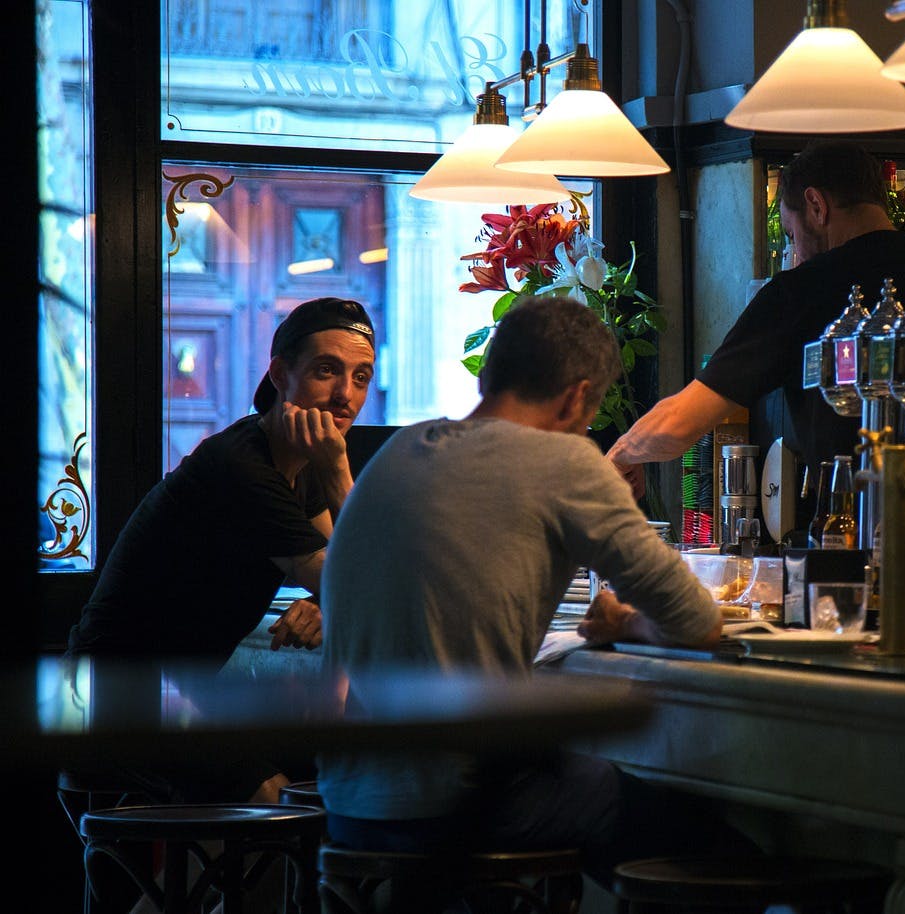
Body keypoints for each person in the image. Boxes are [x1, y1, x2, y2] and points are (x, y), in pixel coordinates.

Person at [317, 295, 753, 892]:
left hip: (349, 803)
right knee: (719, 856)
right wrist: (625, 624)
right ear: (576, 397)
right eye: (587, 412)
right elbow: (698, 620)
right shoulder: (564, 459)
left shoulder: (396, 452)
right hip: (463, 804)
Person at [607, 140, 905, 568]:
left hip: (857, 562)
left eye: (791, 231)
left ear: (816, 205)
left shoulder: (800, 291)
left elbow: (684, 420)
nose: (794, 249)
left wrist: (623, 454)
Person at [65, 295, 377, 804]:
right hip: (114, 702)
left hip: (172, 695)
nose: (346, 395)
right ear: (279, 374)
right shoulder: (243, 468)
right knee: (283, 800)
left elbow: (353, 575)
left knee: (323, 772)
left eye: (361, 377)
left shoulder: (297, 466)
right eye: (327, 370)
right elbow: (363, 584)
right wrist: (340, 471)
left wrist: (327, 600)